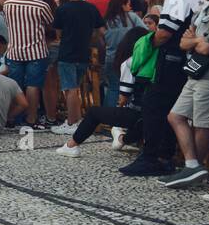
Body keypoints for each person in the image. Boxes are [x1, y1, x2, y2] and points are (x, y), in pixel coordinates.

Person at [122, 0, 206, 177]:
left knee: (154, 105)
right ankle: (166, 157)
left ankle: (152, 157)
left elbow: (166, 31)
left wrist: (149, 44)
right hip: (194, 60)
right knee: (174, 109)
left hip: (172, 58)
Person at [160, 0, 209, 189]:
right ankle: (192, 166)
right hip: (196, 72)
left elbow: (208, 48)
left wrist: (195, 40)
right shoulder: (204, 9)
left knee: (203, 125)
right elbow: (183, 41)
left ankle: (194, 169)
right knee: (175, 116)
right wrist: (197, 40)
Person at [56, 27, 148, 157]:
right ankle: (122, 138)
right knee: (137, 120)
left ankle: (71, 145)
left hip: (139, 113)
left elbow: (123, 97)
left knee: (94, 112)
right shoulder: (153, 60)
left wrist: (117, 111)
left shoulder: (130, 62)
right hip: (156, 112)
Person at [51, 0, 105, 134]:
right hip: (84, 52)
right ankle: (76, 119)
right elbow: (100, 31)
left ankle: (72, 122)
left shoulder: (62, 9)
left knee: (70, 89)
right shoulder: (91, 8)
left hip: (67, 52)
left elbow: (58, 33)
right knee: (76, 88)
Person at [2, 0, 54, 130]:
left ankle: (13, 118)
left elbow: (7, 23)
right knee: (33, 85)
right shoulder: (41, 5)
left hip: (14, 51)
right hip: (36, 52)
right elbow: (50, 23)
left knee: (15, 86)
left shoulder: (7, 4)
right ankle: (31, 119)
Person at [102, 0, 143, 107]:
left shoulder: (106, 21)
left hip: (110, 57)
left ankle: (107, 117)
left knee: (113, 88)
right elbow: (144, 32)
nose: (130, 7)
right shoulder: (131, 17)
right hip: (129, 58)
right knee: (128, 89)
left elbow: (101, 39)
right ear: (122, 5)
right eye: (128, 4)